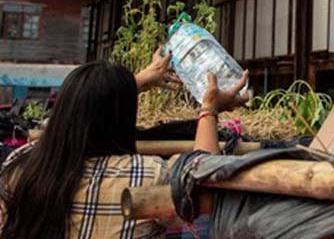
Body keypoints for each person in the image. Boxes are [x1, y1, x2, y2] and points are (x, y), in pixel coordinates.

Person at [0, 53, 249, 239]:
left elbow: (76, 113)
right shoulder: (146, 174)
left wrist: (132, 84)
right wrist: (209, 108)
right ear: (125, 117)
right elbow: (200, 176)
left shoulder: (22, 164)